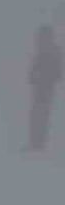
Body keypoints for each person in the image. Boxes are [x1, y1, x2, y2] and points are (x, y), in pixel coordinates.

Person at [28, 24, 62, 152]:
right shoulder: (42, 51)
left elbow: (58, 72)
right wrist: (33, 77)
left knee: (40, 115)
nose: (39, 40)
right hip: (40, 87)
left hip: (46, 87)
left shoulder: (52, 51)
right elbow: (33, 69)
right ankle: (35, 143)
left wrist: (43, 77)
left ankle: (38, 144)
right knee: (37, 115)